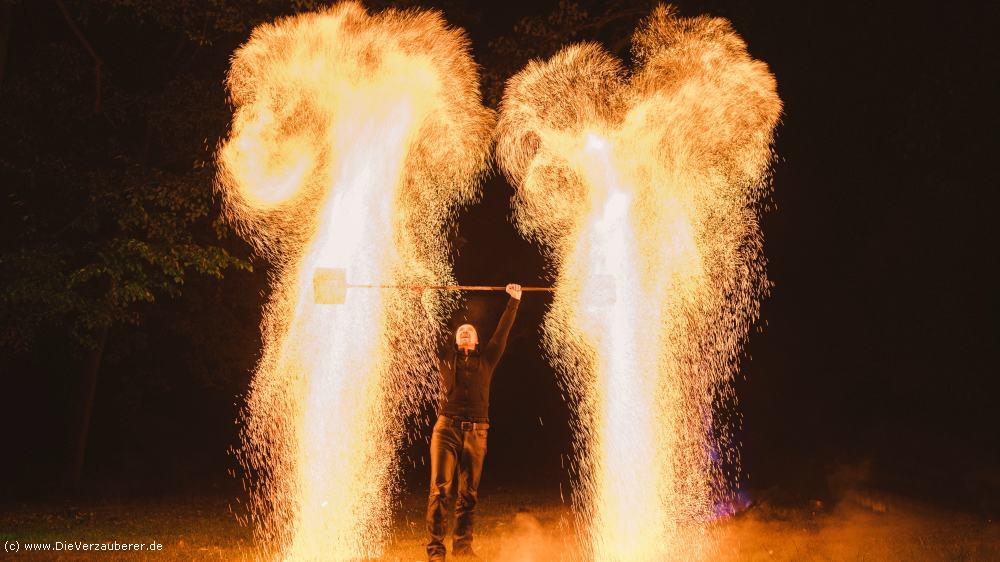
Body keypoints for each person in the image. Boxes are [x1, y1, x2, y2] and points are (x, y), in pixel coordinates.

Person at [426, 283, 522, 561]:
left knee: (468, 494)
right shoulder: (447, 358)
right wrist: (426, 302)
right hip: (446, 430)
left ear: (477, 340)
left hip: (478, 432)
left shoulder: (488, 358)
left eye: (470, 330)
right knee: (440, 489)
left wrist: (514, 301)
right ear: (456, 341)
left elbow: (503, 331)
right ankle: (435, 552)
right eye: (460, 331)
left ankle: (463, 549)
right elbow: (434, 329)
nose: (465, 330)